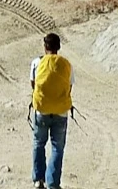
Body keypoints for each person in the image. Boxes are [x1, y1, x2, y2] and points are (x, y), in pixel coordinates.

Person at [29, 32, 72, 189]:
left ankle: (38, 179)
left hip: (41, 110)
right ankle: (53, 183)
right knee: (57, 147)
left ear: (45, 46)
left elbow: (33, 85)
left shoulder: (36, 63)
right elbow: (69, 87)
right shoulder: (66, 65)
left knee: (38, 143)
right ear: (58, 47)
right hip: (61, 111)